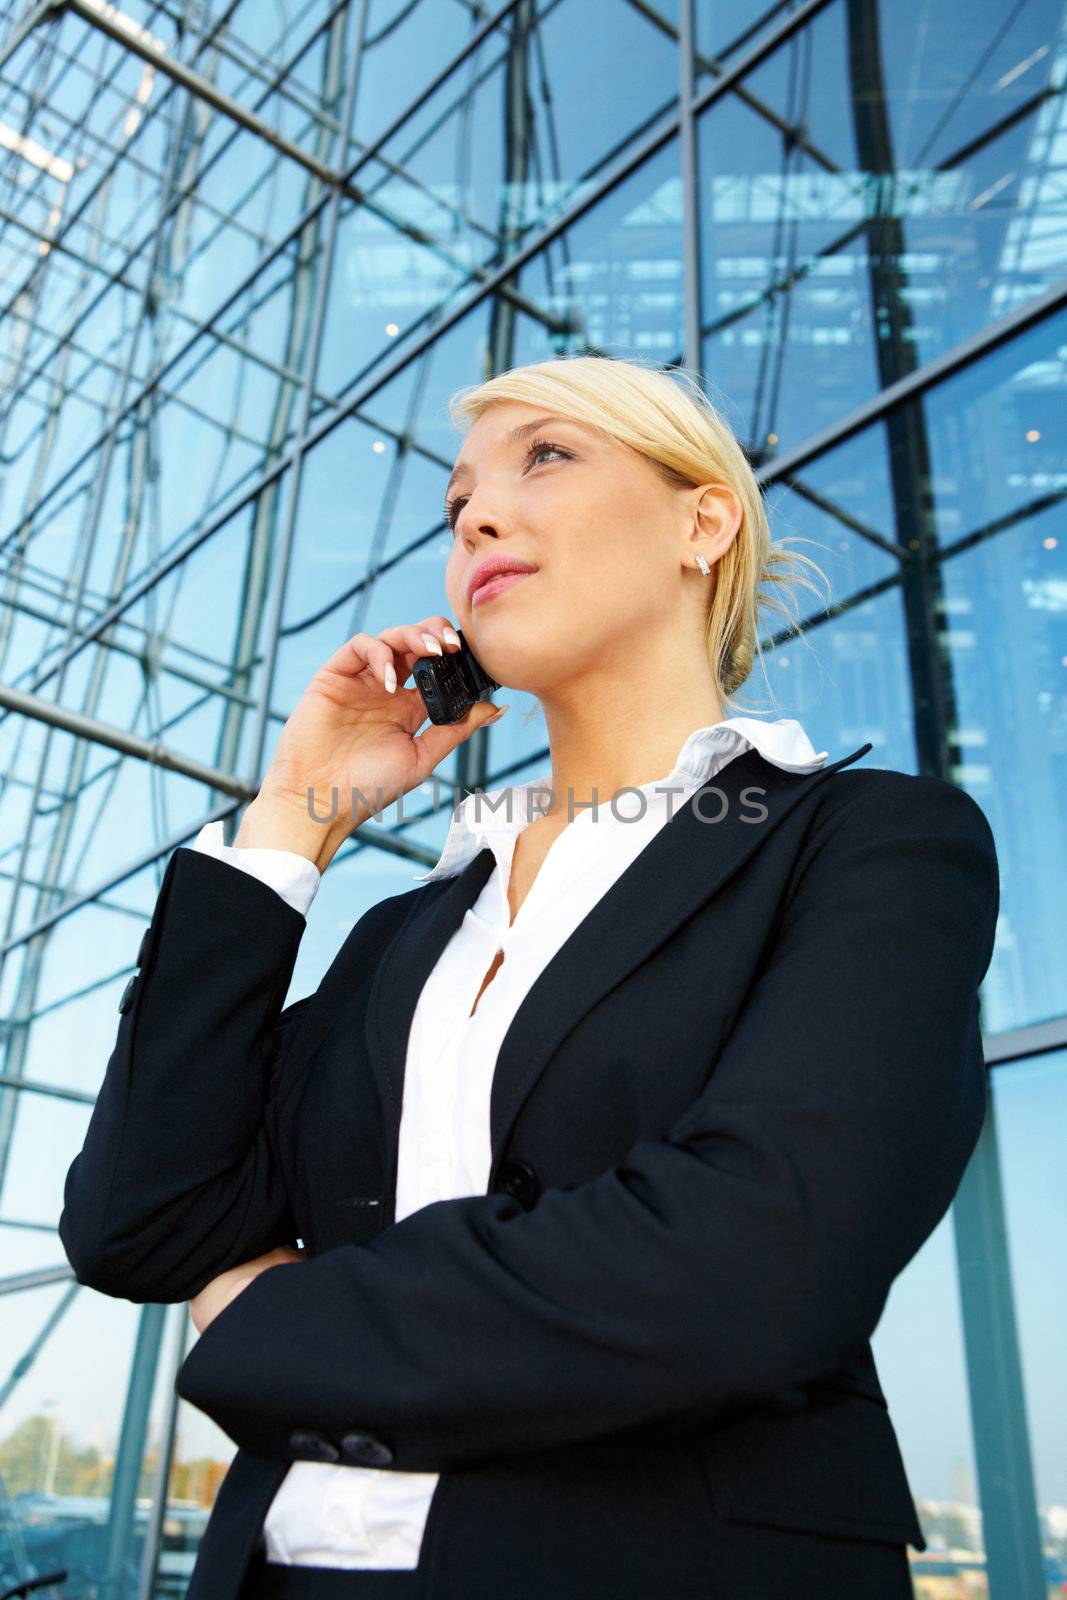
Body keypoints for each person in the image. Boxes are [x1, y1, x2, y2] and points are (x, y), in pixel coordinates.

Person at [59, 354, 999, 1600]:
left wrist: (265, 1321)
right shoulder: (409, 927)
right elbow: (142, 1219)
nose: (477, 519)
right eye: (456, 507)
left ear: (700, 519)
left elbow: (750, 1268)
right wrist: (295, 818)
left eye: (543, 458)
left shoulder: (862, 843)